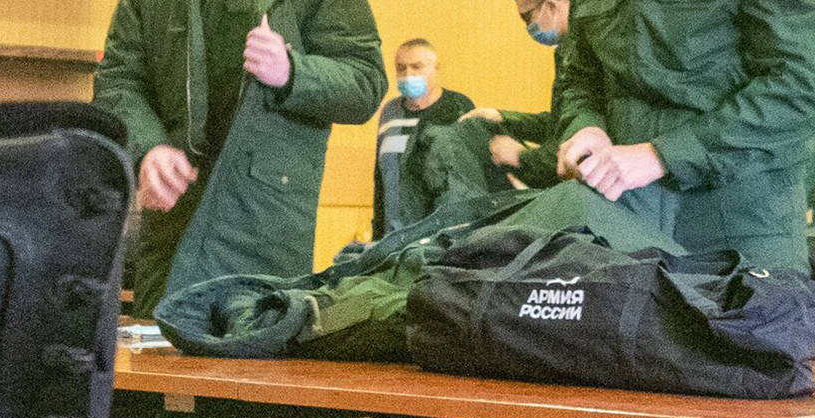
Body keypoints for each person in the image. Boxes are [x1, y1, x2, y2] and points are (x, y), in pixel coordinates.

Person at [94, 0, 386, 317]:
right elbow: (119, 80)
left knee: (255, 339)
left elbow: (365, 80)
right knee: (158, 340)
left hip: (264, 227)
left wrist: (292, 71)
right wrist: (148, 147)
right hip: (174, 223)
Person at [555, 0, 815, 276]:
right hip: (624, 215)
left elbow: (800, 84)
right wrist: (586, 126)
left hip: (741, 215)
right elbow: (581, 77)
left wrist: (663, 156)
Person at [458, 0, 569, 192]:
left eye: (527, 17)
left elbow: (584, 148)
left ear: (552, 5)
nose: (529, 27)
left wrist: (522, 157)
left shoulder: (592, 54)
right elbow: (560, 123)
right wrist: (502, 117)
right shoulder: (566, 54)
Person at [373, 38, 475, 238]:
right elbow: (380, 177)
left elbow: (468, 182)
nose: (408, 75)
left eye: (416, 67)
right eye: (401, 68)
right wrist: (377, 235)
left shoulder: (457, 107)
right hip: (396, 236)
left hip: (443, 237)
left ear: (436, 68)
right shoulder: (390, 112)